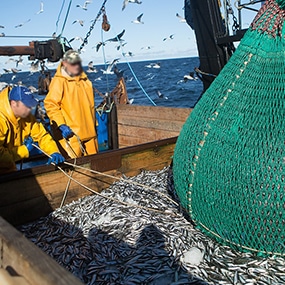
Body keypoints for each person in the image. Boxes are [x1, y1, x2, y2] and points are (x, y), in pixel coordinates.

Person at [44, 50, 98, 158]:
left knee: (95, 165)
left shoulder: (86, 81)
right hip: (71, 135)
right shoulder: (59, 81)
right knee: (72, 168)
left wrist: (95, 123)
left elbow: (90, 105)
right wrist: (60, 124)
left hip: (90, 133)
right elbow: (50, 104)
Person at [0, 85, 65, 174]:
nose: (30, 108)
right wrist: (24, 150)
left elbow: (42, 136)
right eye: (27, 105)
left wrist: (54, 151)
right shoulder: (1, 121)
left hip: (10, 168)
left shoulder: (27, 117)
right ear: (14, 103)